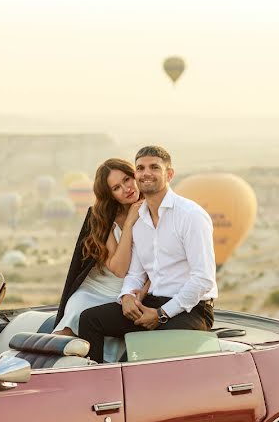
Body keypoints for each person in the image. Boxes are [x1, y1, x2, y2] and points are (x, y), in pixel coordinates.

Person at [78, 145, 217, 363]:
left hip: (190, 309)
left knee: (135, 358)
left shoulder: (190, 216)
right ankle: (92, 382)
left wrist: (162, 313)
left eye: (154, 167)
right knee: (89, 319)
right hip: (151, 302)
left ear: (169, 174)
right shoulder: (139, 220)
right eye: (140, 168)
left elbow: (203, 280)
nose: (146, 173)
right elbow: (135, 272)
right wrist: (126, 297)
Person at [52, 159, 147, 353]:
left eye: (127, 179)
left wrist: (142, 292)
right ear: (110, 194)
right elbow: (119, 269)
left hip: (129, 290)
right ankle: (44, 369)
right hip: (96, 288)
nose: (127, 189)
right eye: (116, 188)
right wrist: (128, 224)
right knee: (69, 327)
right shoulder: (103, 217)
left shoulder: (155, 209)